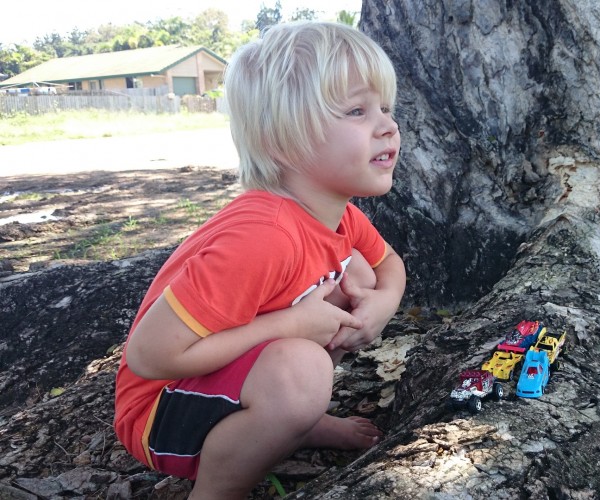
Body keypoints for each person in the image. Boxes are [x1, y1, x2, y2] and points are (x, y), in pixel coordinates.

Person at [114, 21, 406, 499]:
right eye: (357, 110)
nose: (387, 125)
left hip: (218, 375)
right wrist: (290, 324)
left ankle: (295, 421)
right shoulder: (263, 237)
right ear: (282, 140)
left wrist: (384, 303)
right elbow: (149, 358)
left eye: (386, 108)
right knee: (301, 367)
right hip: (159, 411)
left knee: (356, 272)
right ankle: (218, 489)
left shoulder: (338, 215)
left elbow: (388, 264)